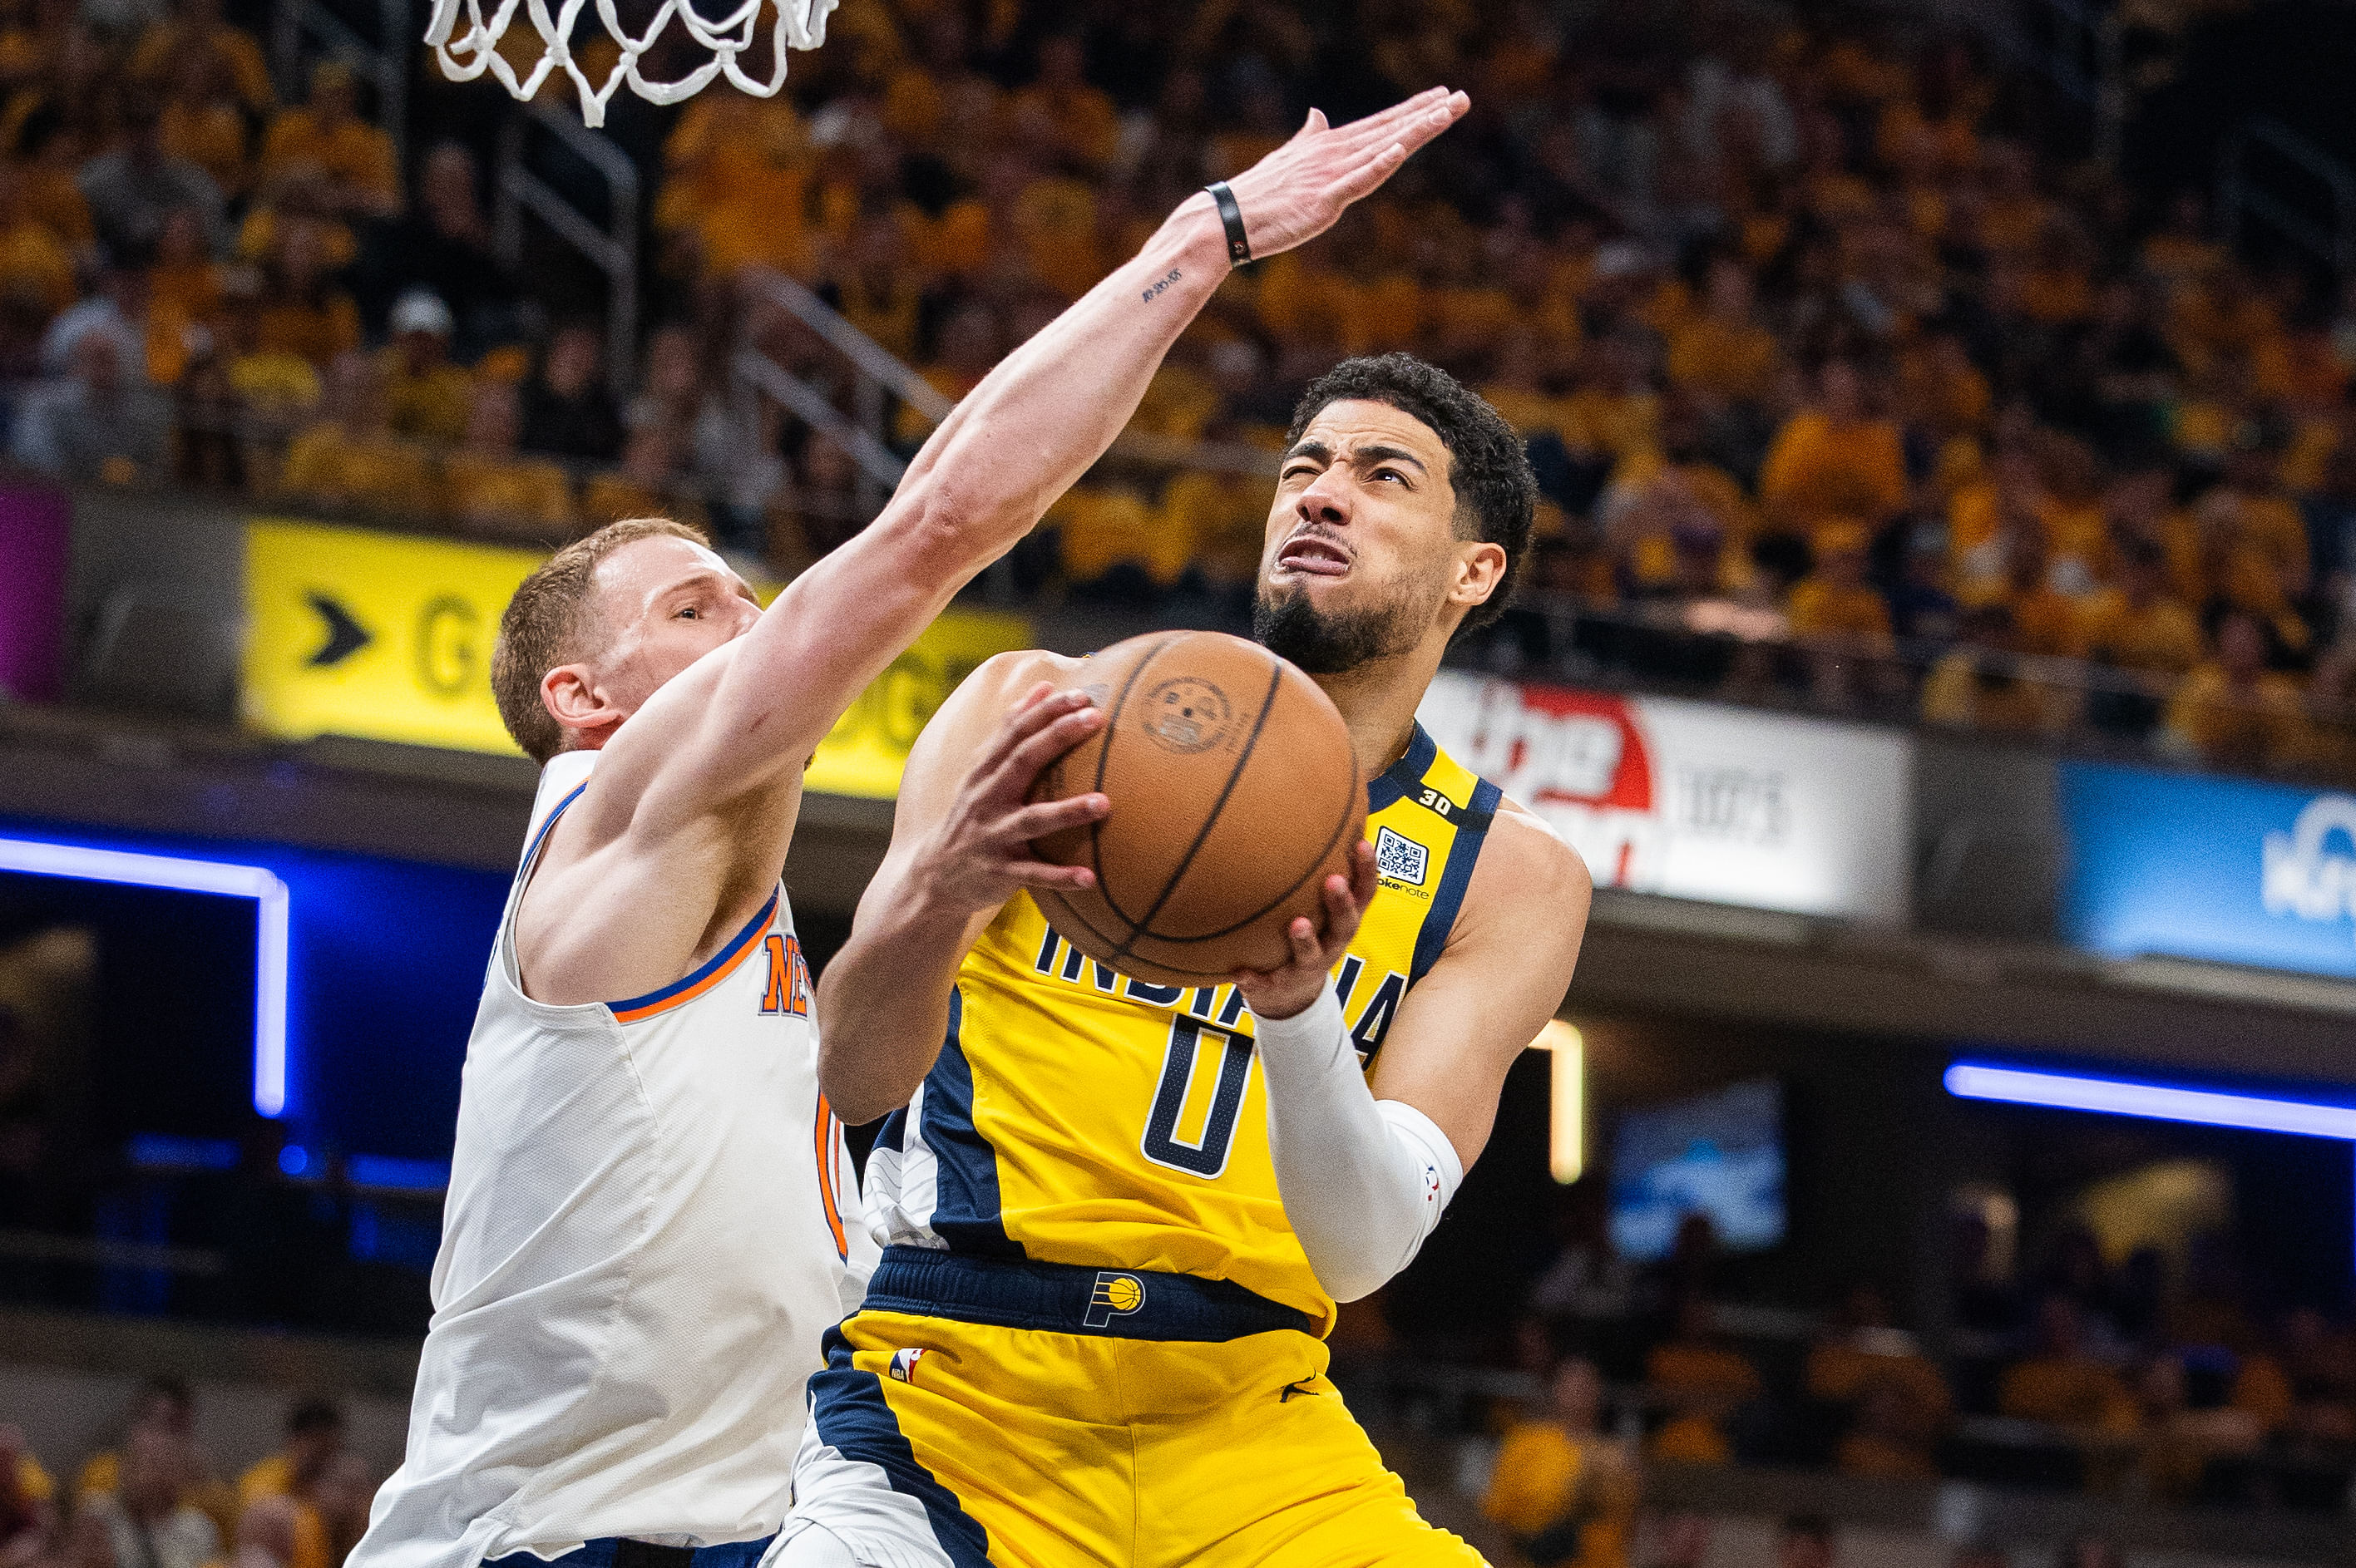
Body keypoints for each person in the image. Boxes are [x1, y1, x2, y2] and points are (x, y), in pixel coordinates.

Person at [346, 85, 1469, 1568]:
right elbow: (935, 522)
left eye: (750, 596)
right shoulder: (615, 814)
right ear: (583, 696)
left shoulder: (736, 918)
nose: (755, 627)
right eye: (696, 611)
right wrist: (1207, 240)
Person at [783, 339, 1587, 1557]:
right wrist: (942, 895)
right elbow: (852, 1071)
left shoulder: (1507, 873)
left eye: (1383, 476)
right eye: (1303, 467)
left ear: (1475, 570)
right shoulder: (1036, 712)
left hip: (1249, 1416)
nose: (1320, 493)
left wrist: (1299, 1006)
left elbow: (1364, 1250)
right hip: (955, 1381)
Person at [1481, 1358, 1637, 1568]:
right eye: (1572, 1383)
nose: (1579, 1390)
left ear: (1598, 1392)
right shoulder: (1525, 1442)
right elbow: (1498, 1517)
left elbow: (1628, 1523)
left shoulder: (1617, 1453)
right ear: (1556, 1389)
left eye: (1586, 1383)